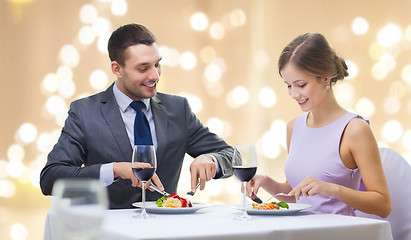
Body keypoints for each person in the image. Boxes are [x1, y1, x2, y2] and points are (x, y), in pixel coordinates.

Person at [40, 23, 234, 209]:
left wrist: (211, 159)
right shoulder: (84, 112)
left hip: (166, 231)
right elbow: (50, 178)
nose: (155, 76)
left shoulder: (178, 109)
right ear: (117, 69)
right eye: (143, 68)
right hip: (109, 232)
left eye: (157, 65)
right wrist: (115, 169)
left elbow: (233, 157)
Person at [246, 33, 391, 217]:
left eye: (301, 84)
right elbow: (298, 197)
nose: (294, 94)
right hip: (301, 232)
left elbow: (383, 205)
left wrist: (332, 189)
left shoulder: (354, 129)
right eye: (288, 85)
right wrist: (267, 182)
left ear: (325, 78)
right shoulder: (293, 127)